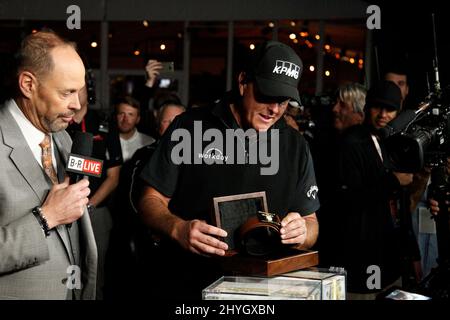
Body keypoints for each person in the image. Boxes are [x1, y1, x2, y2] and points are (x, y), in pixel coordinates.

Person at [138, 40, 320, 299]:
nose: (275, 109)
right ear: (243, 81)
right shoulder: (189, 128)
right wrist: (177, 228)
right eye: (267, 95)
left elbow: (311, 222)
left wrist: (302, 232)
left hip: (265, 291)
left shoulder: (295, 145)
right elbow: (149, 199)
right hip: (189, 285)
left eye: (284, 101)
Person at [0, 30, 97, 299]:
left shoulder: (63, 138)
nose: (77, 105)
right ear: (28, 84)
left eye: (78, 92)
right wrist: (46, 218)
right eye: (67, 92)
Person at [334, 80, 417, 299]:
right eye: (377, 107)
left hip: (391, 255)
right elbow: (347, 199)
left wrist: (412, 252)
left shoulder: (395, 143)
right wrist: (393, 181)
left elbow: (402, 207)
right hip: (361, 257)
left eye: (390, 109)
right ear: (366, 107)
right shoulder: (350, 142)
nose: (383, 114)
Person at [67, 83, 123, 300]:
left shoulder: (104, 122)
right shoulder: (59, 121)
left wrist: (88, 205)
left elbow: (114, 177)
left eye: (77, 87)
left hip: (95, 211)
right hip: (62, 211)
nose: (73, 94)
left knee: (93, 275)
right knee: (67, 274)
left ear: (87, 90)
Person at [313, 83, 366, 267]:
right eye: (336, 103)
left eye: (343, 105)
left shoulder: (349, 145)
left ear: (360, 111)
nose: (335, 109)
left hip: (345, 250)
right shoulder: (346, 141)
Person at [116, 96, 155, 162]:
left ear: (138, 119)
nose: (125, 119)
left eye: (130, 115)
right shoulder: (104, 142)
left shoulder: (149, 143)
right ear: (115, 116)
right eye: (121, 114)